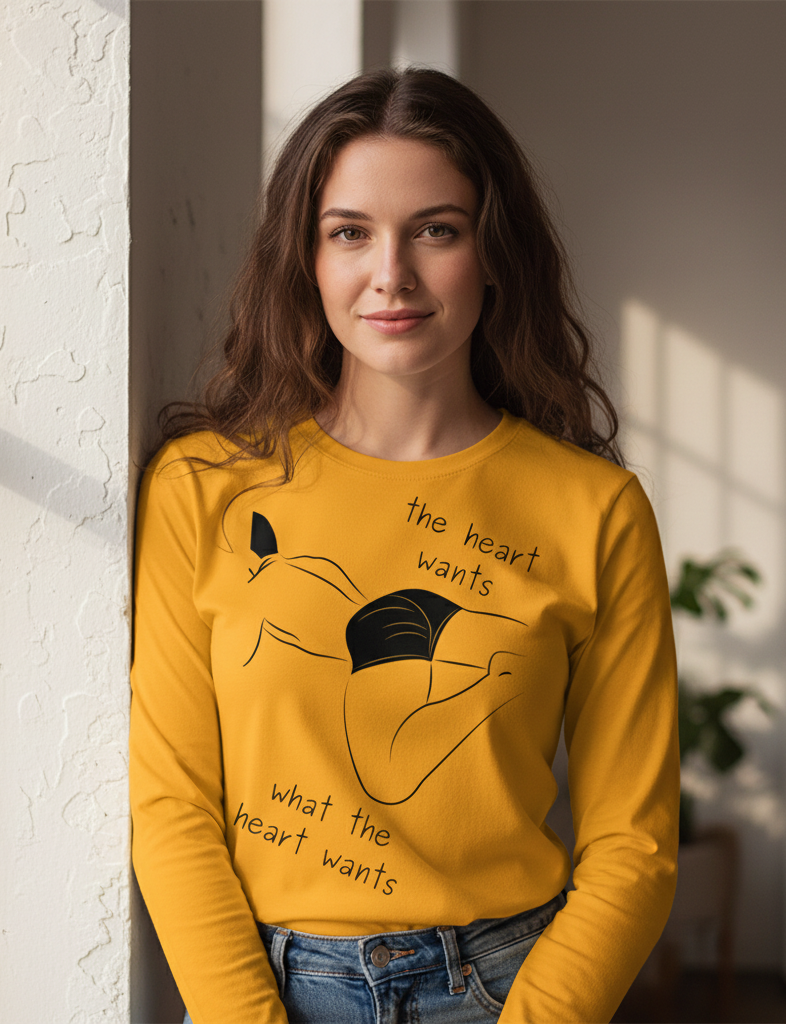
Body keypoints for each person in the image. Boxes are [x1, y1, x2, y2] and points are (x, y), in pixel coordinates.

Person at [130, 67, 679, 1024]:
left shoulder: (596, 511)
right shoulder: (203, 490)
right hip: (269, 988)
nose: (392, 274)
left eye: (436, 228)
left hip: (508, 986)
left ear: (492, 252)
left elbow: (635, 843)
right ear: (305, 257)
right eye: (350, 232)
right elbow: (173, 808)